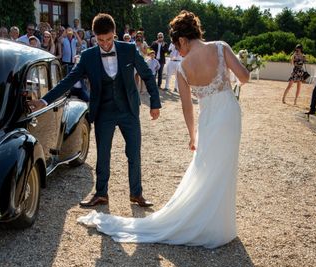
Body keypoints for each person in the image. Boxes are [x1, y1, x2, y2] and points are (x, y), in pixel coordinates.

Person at [73, 10, 249, 249]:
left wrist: (192, 135)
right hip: (229, 114)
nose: (179, 52)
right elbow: (245, 77)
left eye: (178, 47)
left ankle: (200, 218)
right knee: (224, 167)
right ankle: (219, 224)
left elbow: (187, 108)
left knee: (205, 168)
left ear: (183, 40)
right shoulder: (221, 47)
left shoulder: (184, 68)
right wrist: (230, 72)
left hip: (207, 121)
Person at [28, 13, 161, 208]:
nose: (105, 44)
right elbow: (68, 81)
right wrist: (44, 100)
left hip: (128, 111)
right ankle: (101, 194)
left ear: (114, 34)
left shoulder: (129, 49)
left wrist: (155, 103)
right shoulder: (88, 56)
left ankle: (136, 194)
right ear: (95, 37)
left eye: (108, 39)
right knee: (103, 154)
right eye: (100, 40)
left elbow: (148, 76)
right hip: (103, 111)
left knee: (134, 153)